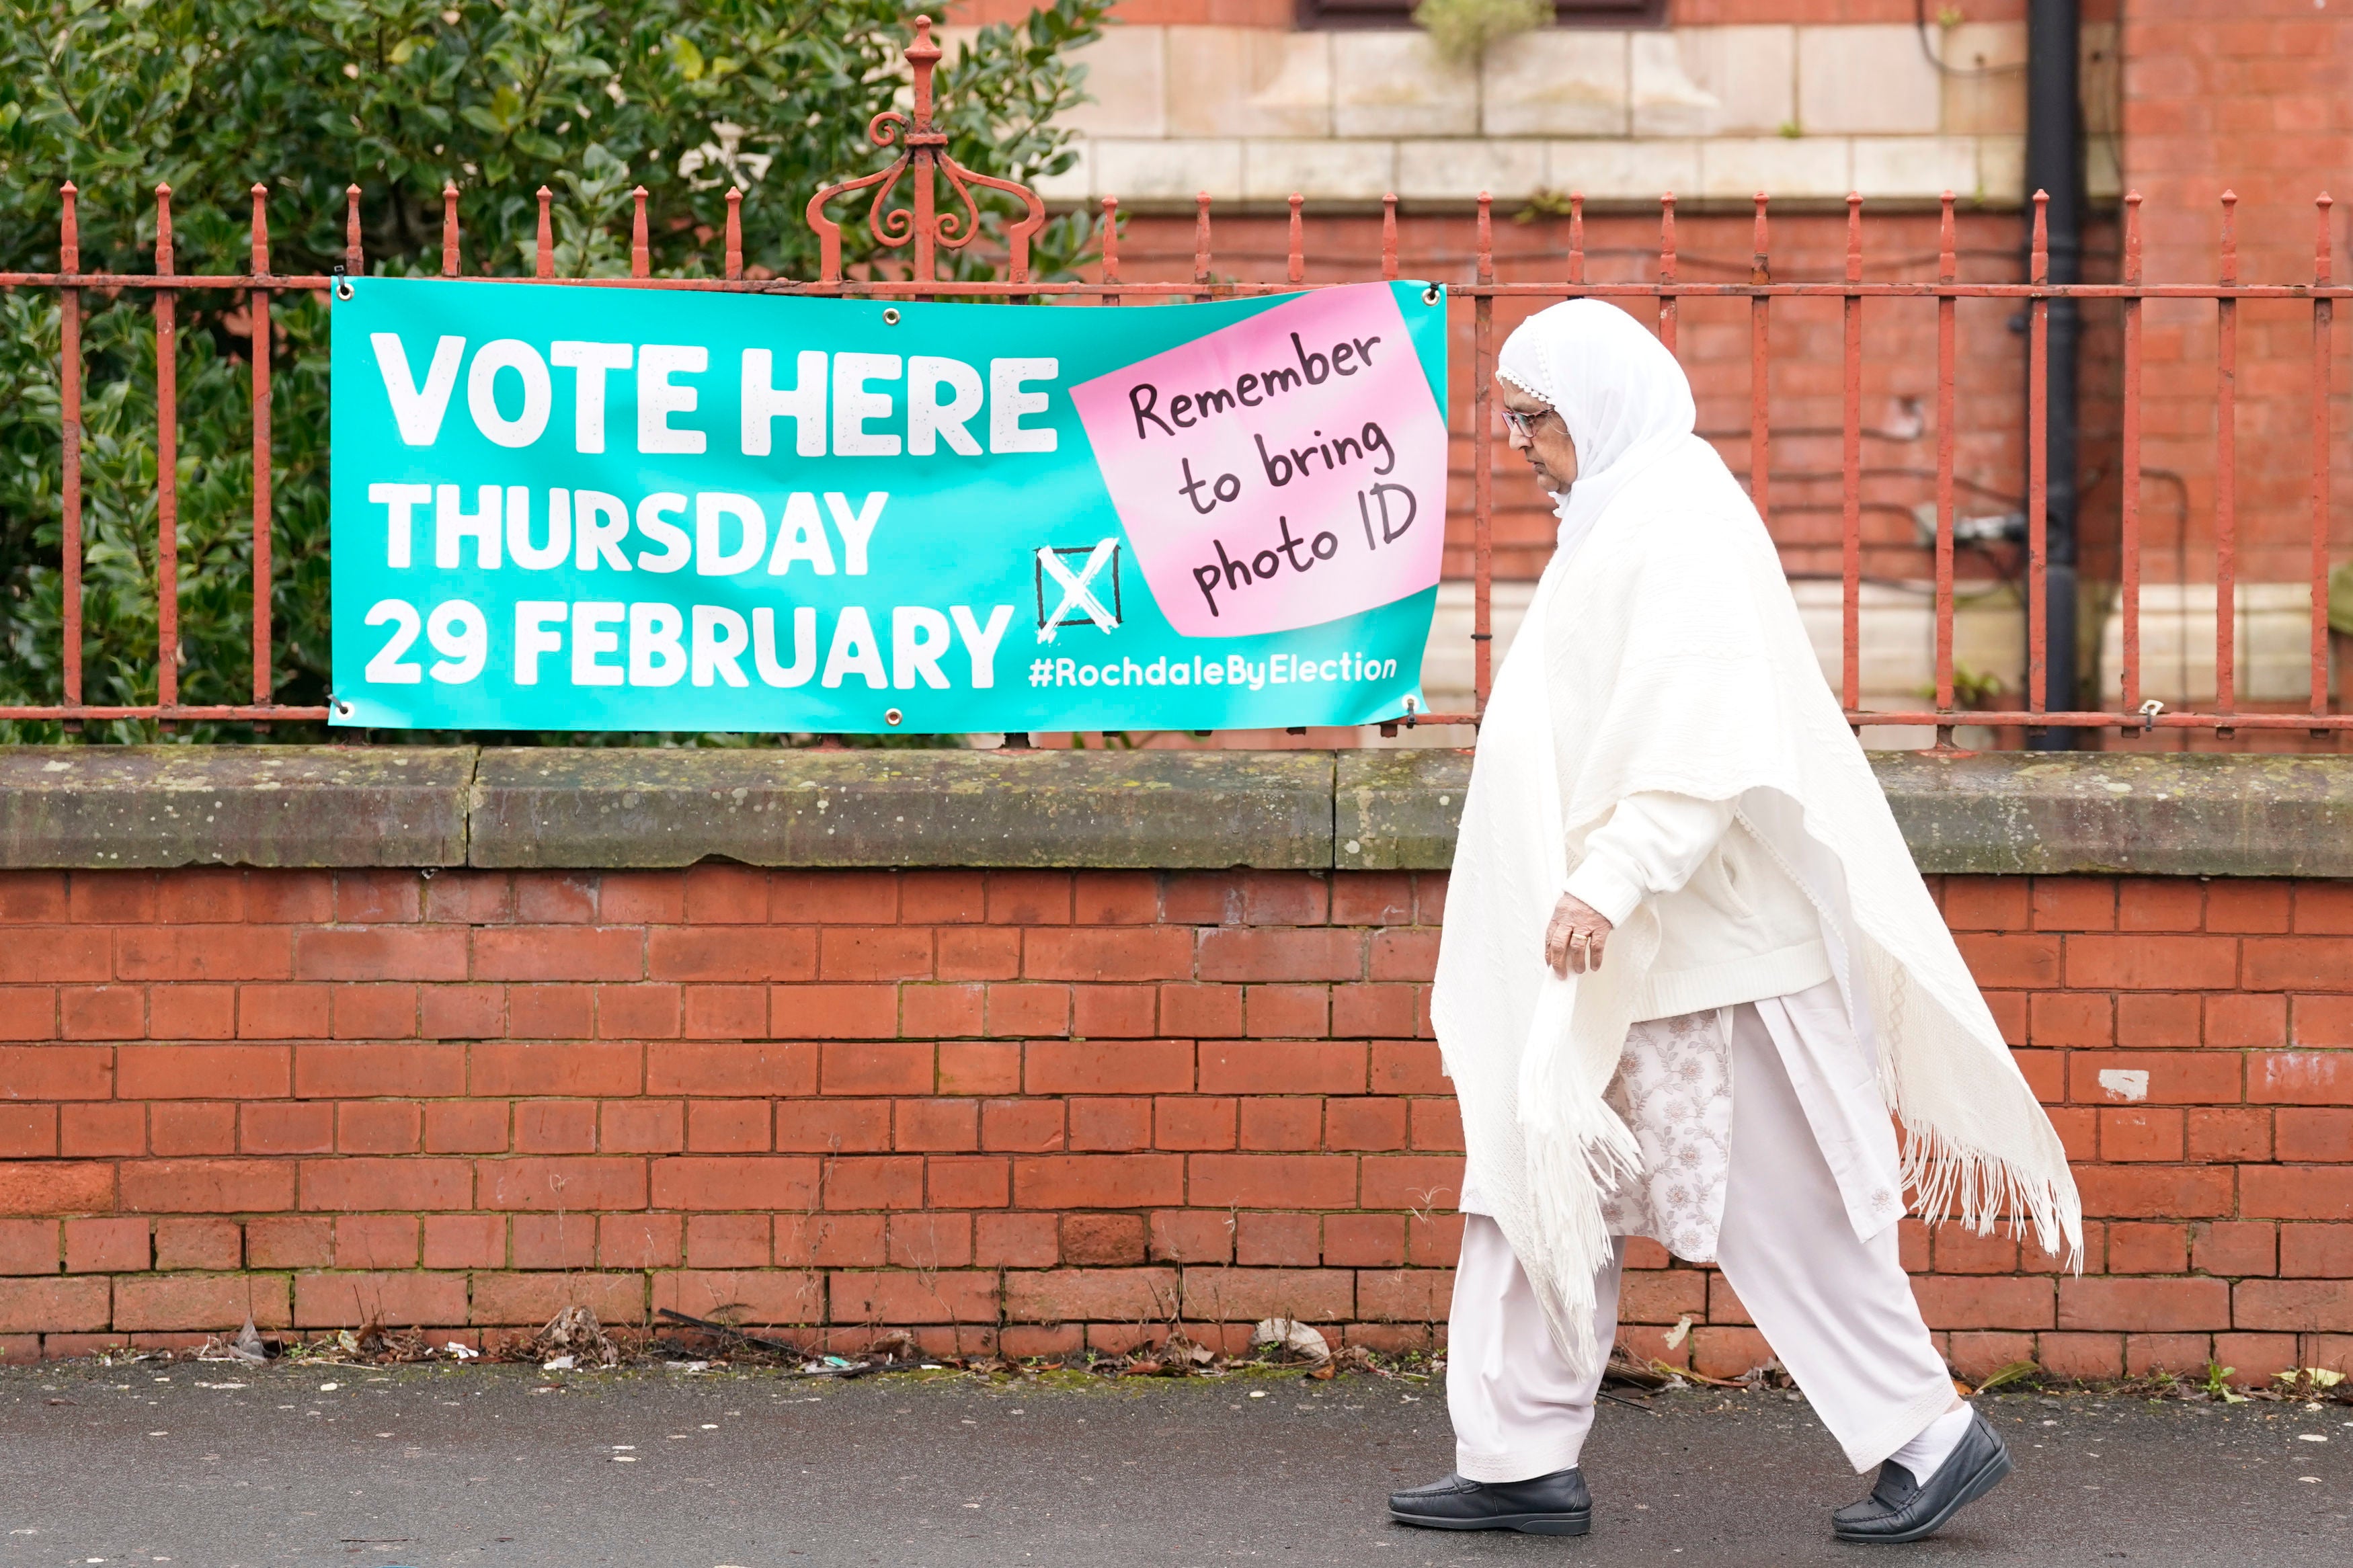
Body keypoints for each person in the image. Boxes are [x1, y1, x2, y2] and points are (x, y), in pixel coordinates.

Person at [1388, 301, 2081, 1544]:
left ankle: (1930, 1435)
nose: (1519, 448)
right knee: (1533, 1162)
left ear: (1594, 408)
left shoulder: (1679, 519)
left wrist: (1609, 879)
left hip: (1697, 949)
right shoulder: (1622, 517)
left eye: (1532, 421)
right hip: (1627, 944)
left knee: (1783, 1201)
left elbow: (1700, 731)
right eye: (1509, 423)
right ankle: (1513, 1454)